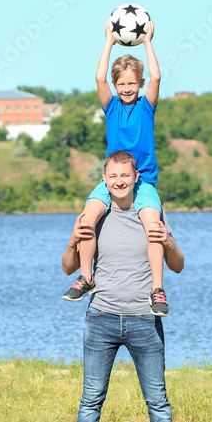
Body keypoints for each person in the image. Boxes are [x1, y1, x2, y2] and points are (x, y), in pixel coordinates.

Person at [61, 150, 185, 422]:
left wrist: (169, 240)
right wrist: (72, 239)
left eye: (125, 176)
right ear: (104, 179)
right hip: (100, 317)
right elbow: (67, 266)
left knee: (157, 400)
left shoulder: (151, 214)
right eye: (113, 176)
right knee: (91, 399)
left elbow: (178, 264)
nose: (119, 181)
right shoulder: (94, 215)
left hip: (145, 319)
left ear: (135, 178)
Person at [62, 18, 170, 317]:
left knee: (153, 227)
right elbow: (98, 78)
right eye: (121, 83)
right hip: (112, 180)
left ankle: (157, 290)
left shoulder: (146, 106)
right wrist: (108, 41)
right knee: (87, 219)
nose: (126, 88)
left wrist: (147, 41)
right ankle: (85, 276)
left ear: (140, 84)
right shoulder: (110, 107)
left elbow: (158, 77)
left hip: (143, 180)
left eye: (132, 83)